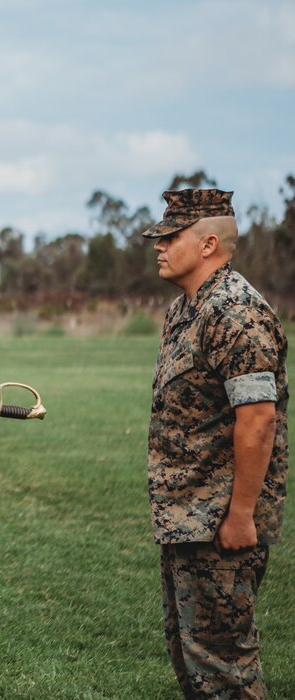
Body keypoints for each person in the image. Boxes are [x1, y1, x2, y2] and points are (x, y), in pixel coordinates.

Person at [143, 189, 288, 699]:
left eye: (169, 237)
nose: (158, 247)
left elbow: (258, 419)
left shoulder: (235, 312)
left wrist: (242, 514)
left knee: (225, 669)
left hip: (220, 520)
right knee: (194, 660)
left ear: (208, 244)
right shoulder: (187, 309)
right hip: (187, 517)